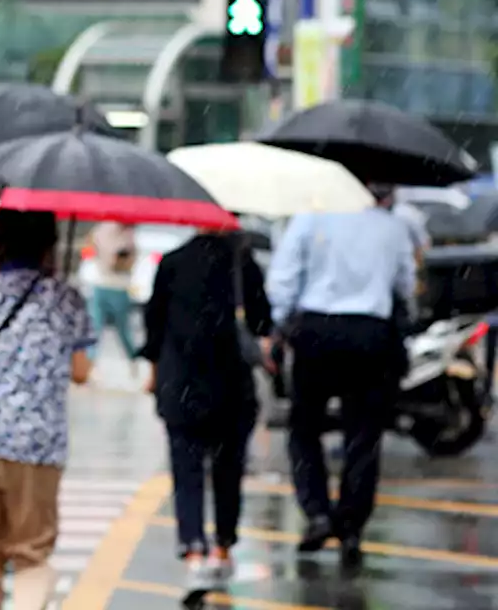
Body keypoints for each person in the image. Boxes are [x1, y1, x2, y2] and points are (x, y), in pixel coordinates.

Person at [0, 210, 95, 610]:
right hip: (36, 442)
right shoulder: (67, 297)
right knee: (30, 556)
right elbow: (81, 372)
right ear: (49, 244)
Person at [267, 182, 416, 568]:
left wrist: (283, 323)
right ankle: (350, 525)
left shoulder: (311, 217)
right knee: (364, 435)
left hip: (316, 330)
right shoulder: (392, 227)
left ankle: (316, 511)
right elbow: (406, 284)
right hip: (371, 333)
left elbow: (282, 278)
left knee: (304, 428)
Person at [141, 228, 273, 598]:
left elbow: (154, 324)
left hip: (181, 382)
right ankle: (223, 547)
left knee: (186, 470)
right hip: (230, 383)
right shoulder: (241, 264)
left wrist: (153, 373)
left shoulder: (172, 262)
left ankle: (194, 553)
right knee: (228, 469)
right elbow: (262, 321)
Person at [88, 221, 139, 366]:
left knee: (123, 329)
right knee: (95, 327)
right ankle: (89, 363)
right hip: (101, 283)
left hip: (118, 286)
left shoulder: (128, 234)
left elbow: (128, 261)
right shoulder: (101, 230)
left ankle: (132, 358)